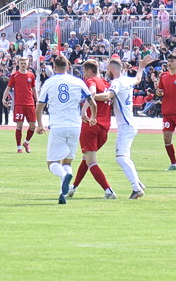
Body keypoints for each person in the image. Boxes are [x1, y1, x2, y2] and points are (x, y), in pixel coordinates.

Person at [36, 55, 97, 204]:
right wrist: (93, 116)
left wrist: (40, 124)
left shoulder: (49, 83)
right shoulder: (77, 81)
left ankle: (64, 177)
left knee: (52, 163)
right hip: (75, 126)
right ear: (68, 67)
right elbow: (92, 102)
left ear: (54, 67)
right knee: (68, 162)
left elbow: (39, 108)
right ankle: (62, 194)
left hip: (58, 125)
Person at [96, 57, 151, 199]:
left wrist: (91, 96)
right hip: (129, 123)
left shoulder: (117, 82)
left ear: (112, 70)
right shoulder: (127, 80)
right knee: (125, 157)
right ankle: (137, 183)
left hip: (126, 125)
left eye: (108, 69)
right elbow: (138, 79)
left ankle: (136, 188)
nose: (107, 72)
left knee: (121, 158)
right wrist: (141, 67)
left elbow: (108, 95)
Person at [67, 59, 116, 199]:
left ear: (89, 71)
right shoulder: (106, 83)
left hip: (91, 125)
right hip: (104, 128)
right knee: (87, 158)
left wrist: (84, 110)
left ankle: (108, 190)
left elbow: (92, 94)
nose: (84, 75)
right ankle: (74, 187)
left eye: (84, 72)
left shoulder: (91, 81)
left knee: (91, 161)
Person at [3, 57, 38, 153]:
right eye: (21, 63)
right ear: (18, 64)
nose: (23, 65)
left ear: (27, 64)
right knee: (19, 125)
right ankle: (19, 147)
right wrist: (3, 98)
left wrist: (37, 100)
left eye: (24, 63)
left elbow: (34, 89)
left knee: (32, 125)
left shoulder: (31, 75)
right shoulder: (14, 75)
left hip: (30, 103)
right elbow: (8, 88)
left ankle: (26, 142)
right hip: (19, 104)